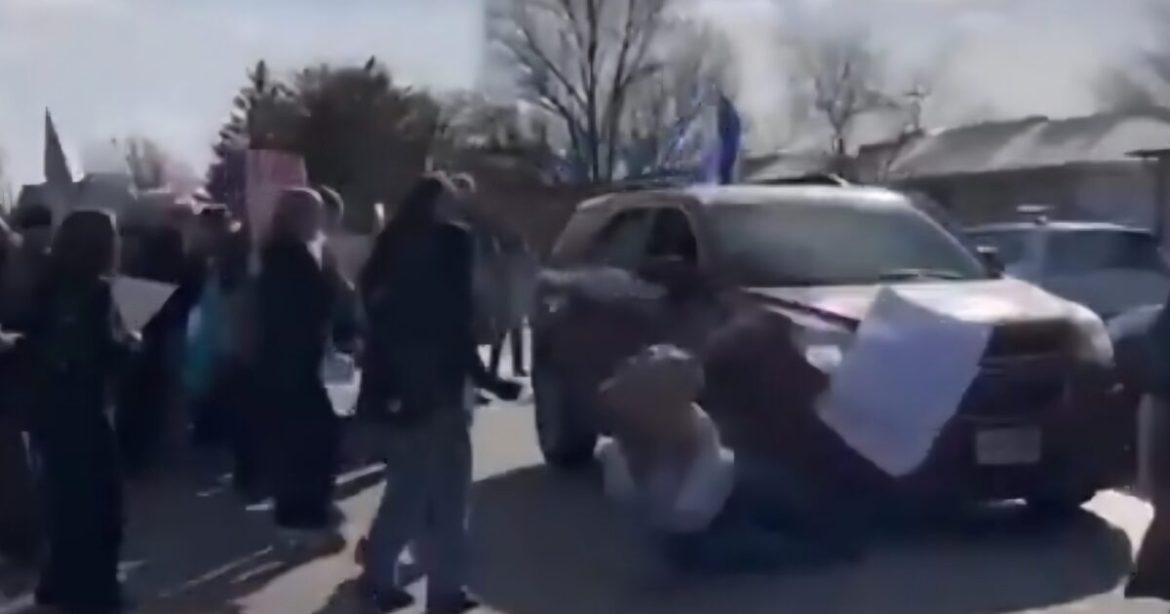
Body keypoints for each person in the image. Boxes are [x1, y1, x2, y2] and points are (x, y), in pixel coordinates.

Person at [357, 175, 521, 613]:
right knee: (447, 494)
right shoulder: (452, 244)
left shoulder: (389, 248)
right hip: (440, 390)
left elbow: (380, 323)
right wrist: (488, 380)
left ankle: (379, 575)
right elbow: (454, 326)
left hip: (396, 391)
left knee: (408, 489)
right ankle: (444, 590)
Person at [598, 344, 861, 574]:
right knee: (733, 546)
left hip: (717, 496)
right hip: (693, 521)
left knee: (774, 501)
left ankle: (832, 541)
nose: (640, 357)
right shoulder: (625, 436)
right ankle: (825, 544)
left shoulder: (691, 433)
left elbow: (697, 497)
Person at [22, 209, 136, 612]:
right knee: (101, 507)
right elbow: (97, 356)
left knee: (64, 502)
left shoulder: (45, 285)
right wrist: (129, 345)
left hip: (48, 411)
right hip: (85, 412)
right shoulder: (98, 292)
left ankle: (59, 582)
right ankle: (95, 593)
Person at [256, 187, 342, 539]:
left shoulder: (278, 253)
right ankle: (303, 515)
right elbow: (311, 305)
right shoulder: (292, 257)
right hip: (294, 361)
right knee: (311, 439)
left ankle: (296, 510)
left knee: (298, 439)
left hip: (283, 360)